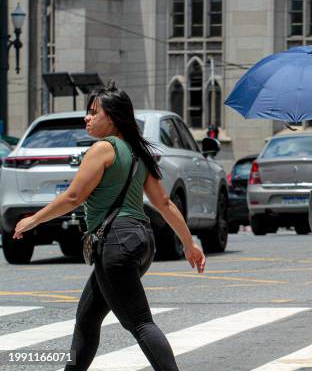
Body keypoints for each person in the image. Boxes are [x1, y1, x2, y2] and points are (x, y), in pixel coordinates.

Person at [13, 82, 206, 371]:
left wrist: (33, 219)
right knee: (87, 320)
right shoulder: (137, 152)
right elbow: (164, 203)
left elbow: (74, 197)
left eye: (93, 113)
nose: (86, 118)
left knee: (140, 323)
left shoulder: (103, 149)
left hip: (116, 243)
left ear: (112, 117)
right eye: (87, 113)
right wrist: (189, 244)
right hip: (140, 241)